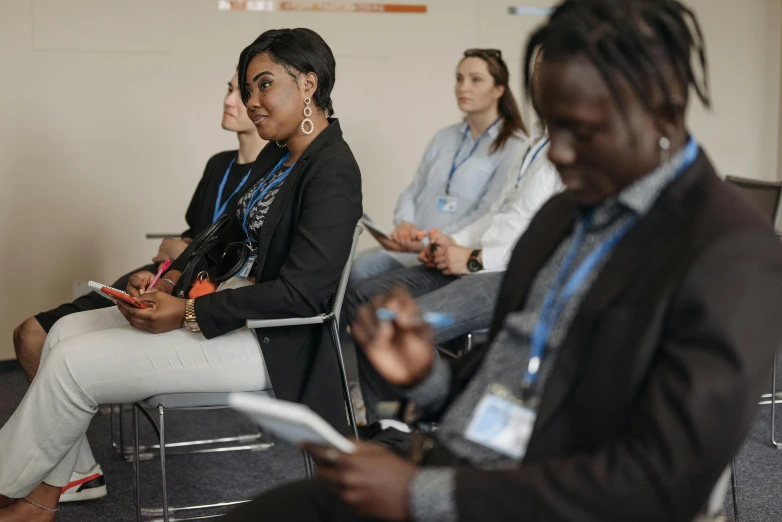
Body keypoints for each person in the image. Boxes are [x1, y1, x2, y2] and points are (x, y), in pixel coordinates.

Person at [221, 2, 782, 521]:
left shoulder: (732, 256)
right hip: (462, 466)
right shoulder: (569, 215)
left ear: (661, 106)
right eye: (550, 126)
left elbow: (660, 482)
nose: (557, 153)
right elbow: (520, 365)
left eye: (580, 129)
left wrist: (423, 495)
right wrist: (428, 375)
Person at [0, 27, 362, 520]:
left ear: (308, 85)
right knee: (62, 332)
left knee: (73, 364)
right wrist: (169, 280)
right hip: (231, 311)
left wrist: (189, 310)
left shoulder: (333, 168)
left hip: (274, 341)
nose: (253, 101)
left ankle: (27, 500)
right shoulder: (279, 158)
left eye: (264, 84)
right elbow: (224, 241)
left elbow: (305, 294)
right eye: (247, 87)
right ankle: (39, 497)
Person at [8, 68, 265, 504]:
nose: (229, 100)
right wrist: (166, 265)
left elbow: (226, 260)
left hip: (195, 296)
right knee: (31, 333)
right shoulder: (218, 166)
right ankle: (74, 471)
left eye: (242, 92)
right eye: (229, 89)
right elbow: (187, 239)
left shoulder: (273, 181)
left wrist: (178, 257)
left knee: (45, 339)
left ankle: (57, 479)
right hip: (165, 278)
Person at [346, 130, 562, 424]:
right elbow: (494, 214)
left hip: (510, 273)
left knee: (404, 323)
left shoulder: (570, 151)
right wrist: (451, 241)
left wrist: (475, 260)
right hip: (477, 256)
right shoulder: (533, 143)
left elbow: (554, 241)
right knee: (366, 296)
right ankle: (383, 425)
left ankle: (420, 427)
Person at [351, 48, 527, 284]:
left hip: (449, 252)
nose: (463, 87)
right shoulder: (444, 137)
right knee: (347, 268)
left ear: (498, 89)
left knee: (362, 271)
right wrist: (405, 223)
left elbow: (487, 213)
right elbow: (413, 190)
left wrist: (427, 241)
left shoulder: (513, 147)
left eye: (475, 80)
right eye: (459, 78)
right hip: (411, 247)